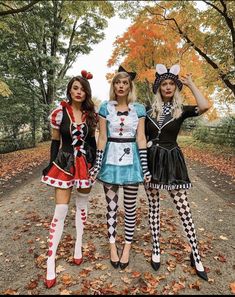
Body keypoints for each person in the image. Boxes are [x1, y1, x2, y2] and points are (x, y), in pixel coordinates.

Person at [144, 64, 210, 281]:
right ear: (158, 88)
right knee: (153, 207)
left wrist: (191, 84)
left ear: (176, 87)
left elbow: (205, 106)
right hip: (153, 163)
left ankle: (196, 254)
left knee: (183, 209)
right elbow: (140, 138)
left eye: (172, 83)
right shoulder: (147, 111)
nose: (168, 87)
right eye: (164, 84)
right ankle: (156, 248)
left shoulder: (180, 110)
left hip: (173, 162)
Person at [89, 66, 151, 270]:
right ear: (113, 85)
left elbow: (141, 138)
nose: (121, 86)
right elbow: (103, 137)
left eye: (125, 82)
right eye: (118, 82)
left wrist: (145, 167)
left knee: (131, 208)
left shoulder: (139, 109)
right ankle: (112, 246)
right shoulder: (106, 108)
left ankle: (127, 247)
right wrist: (98, 164)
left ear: (130, 86)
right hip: (111, 161)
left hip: (131, 162)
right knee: (112, 207)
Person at [41, 70, 97, 288]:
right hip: (64, 164)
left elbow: (91, 142)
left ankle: (78, 246)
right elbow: (55, 141)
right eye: (75, 88)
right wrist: (51, 163)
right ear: (70, 90)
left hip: (84, 166)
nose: (79, 92)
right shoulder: (59, 113)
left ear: (86, 92)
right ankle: (50, 260)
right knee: (61, 211)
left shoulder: (90, 116)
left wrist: (93, 164)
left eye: (82, 89)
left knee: (82, 206)